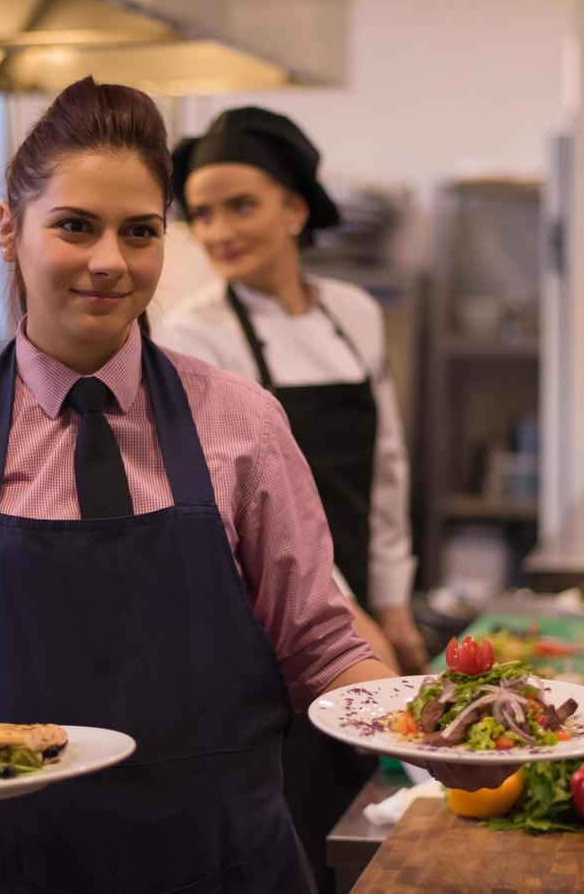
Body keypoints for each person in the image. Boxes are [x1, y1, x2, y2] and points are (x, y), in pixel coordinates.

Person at [0, 77, 509, 894]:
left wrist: (438, 737)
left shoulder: (242, 424)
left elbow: (323, 647)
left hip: (229, 865)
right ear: (10, 229)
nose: (110, 262)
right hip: (12, 872)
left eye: (140, 232)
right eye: (75, 227)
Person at [155, 107, 425, 890]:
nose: (216, 230)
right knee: (297, 812)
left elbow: (387, 465)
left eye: (240, 205)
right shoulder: (197, 335)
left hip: (361, 599)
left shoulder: (355, 314)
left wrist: (395, 600)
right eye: (201, 213)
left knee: (378, 804)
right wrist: (349, 616)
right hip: (263, 620)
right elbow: (249, 516)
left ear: (296, 209)